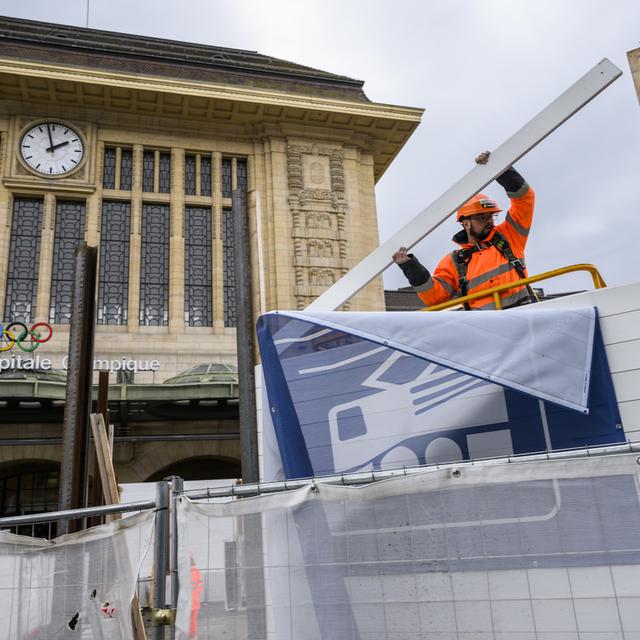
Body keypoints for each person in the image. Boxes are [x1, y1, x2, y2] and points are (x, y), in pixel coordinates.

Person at [393, 151, 536, 310]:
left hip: (523, 322)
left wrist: (501, 169)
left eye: (491, 216)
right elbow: (435, 297)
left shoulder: (509, 235)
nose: (489, 221)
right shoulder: (455, 261)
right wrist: (410, 267)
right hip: (488, 331)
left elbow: (525, 199)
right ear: (466, 223)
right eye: (482, 217)